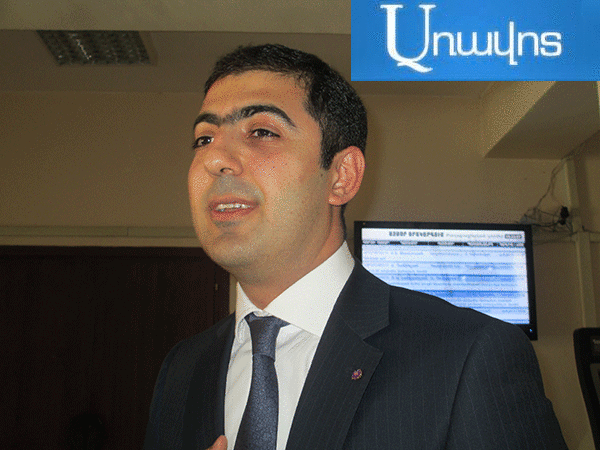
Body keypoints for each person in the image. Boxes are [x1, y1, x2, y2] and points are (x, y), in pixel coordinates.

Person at [144, 44, 567, 450]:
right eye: (204, 139)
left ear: (342, 175)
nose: (215, 158)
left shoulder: (469, 355)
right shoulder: (183, 367)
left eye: (261, 131)